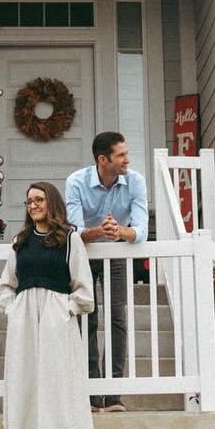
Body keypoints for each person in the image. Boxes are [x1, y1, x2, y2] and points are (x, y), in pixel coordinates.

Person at [0, 181, 94, 429]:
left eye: (39, 199)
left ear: (51, 202)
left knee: (57, 393)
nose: (34, 205)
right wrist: (14, 309)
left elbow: (84, 290)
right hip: (24, 322)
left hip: (56, 323)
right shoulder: (20, 242)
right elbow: (5, 286)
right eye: (29, 201)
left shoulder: (70, 240)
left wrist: (64, 309)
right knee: (25, 390)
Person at [64, 132, 149, 410]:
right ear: (103, 159)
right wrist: (98, 231)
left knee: (117, 318)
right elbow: (73, 230)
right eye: (121, 155)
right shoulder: (76, 182)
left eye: (127, 153)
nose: (128, 159)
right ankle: (90, 394)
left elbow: (142, 230)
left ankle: (112, 395)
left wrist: (120, 231)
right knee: (87, 317)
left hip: (117, 254)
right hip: (84, 255)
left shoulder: (135, 181)